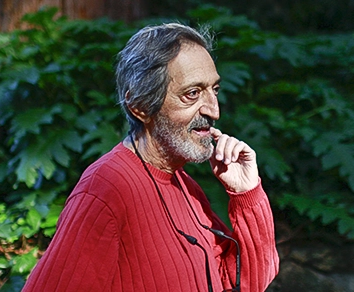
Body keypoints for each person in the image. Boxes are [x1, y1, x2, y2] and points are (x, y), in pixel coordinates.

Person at [23, 23, 279, 292]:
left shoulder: (184, 184)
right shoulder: (105, 188)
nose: (214, 110)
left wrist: (246, 193)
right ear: (140, 107)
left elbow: (247, 283)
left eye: (214, 90)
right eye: (192, 94)